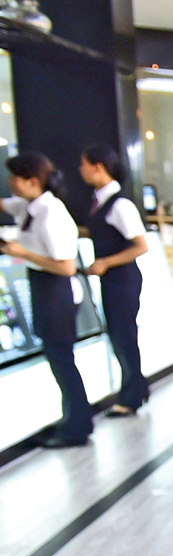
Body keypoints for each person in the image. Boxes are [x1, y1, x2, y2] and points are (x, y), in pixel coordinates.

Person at [2, 152, 88, 447]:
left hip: (57, 293)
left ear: (32, 181)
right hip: (44, 289)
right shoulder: (30, 205)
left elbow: (66, 267)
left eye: (14, 177)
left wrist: (22, 253)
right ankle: (71, 420)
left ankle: (77, 427)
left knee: (63, 361)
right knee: (58, 360)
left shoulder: (52, 213)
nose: (10, 182)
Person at [79, 144, 150, 416]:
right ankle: (137, 389)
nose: (80, 170)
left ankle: (131, 397)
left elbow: (141, 246)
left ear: (98, 167)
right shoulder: (101, 201)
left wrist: (105, 262)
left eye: (84, 164)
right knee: (121, 336)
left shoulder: (120, 204)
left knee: (124, 336)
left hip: (123, 280)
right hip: (114, 281)